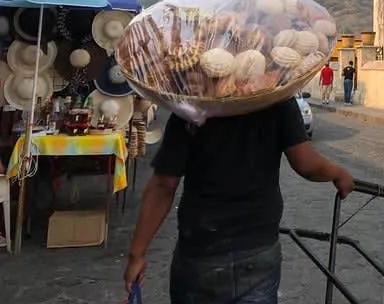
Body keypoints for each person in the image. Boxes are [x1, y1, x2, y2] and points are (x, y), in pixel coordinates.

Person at [123, 97, 355, 303]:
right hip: (258, 250)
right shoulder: (277, 99)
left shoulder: (191, 103)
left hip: (202, 251)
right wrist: (338, 173)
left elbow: (164, 185)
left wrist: (137, 254)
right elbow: (306, 164)